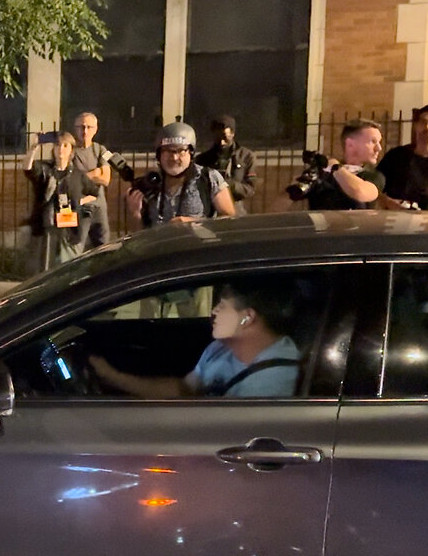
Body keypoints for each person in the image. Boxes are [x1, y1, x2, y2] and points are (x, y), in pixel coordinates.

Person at [90, 281, 300, 398]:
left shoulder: (272, 380)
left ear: (247, 317)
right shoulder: (221, 347)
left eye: (223, 307)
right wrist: (112, 377)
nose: (214, 312)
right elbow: (184, 390)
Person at [127, 122, 236, 228]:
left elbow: (229, 219)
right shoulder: (149, 185)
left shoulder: (208, 178)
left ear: (191, 153)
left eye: (181, 151)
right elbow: (138, 235)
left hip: (198, 245)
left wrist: (193, 222)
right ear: (159, 154)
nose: (174, 157)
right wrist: (135, 214)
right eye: (168, 151)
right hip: (160, 245)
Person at [23, 131, 100, 271]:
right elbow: (28, 169)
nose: (61, 149)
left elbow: (94, 192)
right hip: (47, 227)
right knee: (45, 268)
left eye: (65, 145)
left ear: (71, 149)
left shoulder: (77, 175)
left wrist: (80, 202)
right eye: (58, 145)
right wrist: (33, 148)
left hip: (68, 230)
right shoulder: (45, 170)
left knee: (66, 268)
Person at [302, 119, 386, 211]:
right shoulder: (321, 173)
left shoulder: (374, 176)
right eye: (373, 142)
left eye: (379, 142)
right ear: (350, 144)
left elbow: (360, 192)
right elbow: (285, 203)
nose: (379, 148)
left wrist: (336, 167)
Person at [378, 105, 428, 211]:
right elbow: (374, 188)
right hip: (396, 219)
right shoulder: (395, 155)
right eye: (423, 122)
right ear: (416, 125)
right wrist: (388, 202)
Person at [69, 112, 114, 248]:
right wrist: (95, 172)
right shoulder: (69, 150)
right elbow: (71, 180)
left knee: (103, 248)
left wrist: (83, 176)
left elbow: (106, 179)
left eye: (89, 127)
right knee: (76, 247)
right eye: (81, 127)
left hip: (99, 207)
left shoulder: (101, 150)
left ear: (96, 129)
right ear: (75, 128)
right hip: (79, 207)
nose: (85, 131)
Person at [196, 115, 257, 215]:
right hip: (208, 212)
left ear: (232, 133)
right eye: (218, 138)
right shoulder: (202, 159)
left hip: (235, 210)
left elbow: (249, 190)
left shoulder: (246, 157)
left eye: (225, 137)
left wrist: (226, 183)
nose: (221, 142)